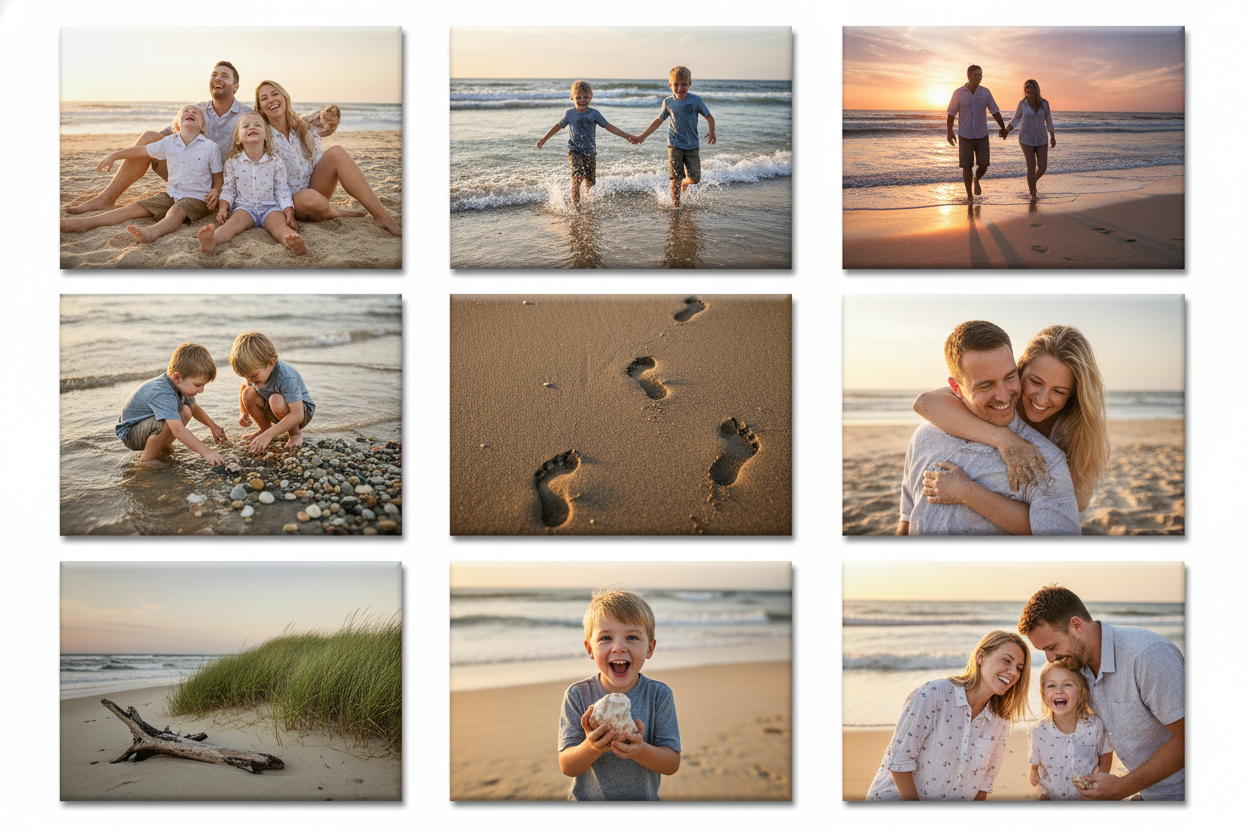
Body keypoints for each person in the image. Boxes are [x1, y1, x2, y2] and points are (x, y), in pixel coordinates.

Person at [913, 325, 1110, 532]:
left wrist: (967, 492)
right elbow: (925, 403)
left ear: (1073, 394)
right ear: (1020, 370)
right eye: (1035, 381)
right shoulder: (1002, 396)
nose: (1041, 399)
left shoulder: (1071, 439)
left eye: (1059, 391)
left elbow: (1069, 509)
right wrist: (1005, 439)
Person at [1019, 585, 1184, 800]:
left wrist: (1123, 787)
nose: (1050, 659)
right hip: (1148, 792)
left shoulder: (1146, 657)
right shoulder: (1078, 669)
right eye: (1044, 651)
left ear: (1076, 625)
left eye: (1052, 646)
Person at [866, 630, 1030, 800]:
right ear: (980, 657)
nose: (1013, 672)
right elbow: (899, 760)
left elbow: (985, 782)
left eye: (1019, 668)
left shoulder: (1000, 721)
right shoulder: (933, 694)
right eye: (1006, 660)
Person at [558, 589, 680, 800]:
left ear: (650, 648)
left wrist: (639, 750)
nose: (618, 648)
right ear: (590, 649)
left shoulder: (659, 695)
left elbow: (671, 764)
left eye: (632, 637)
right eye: (605, 638)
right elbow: (567, 766)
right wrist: (591, 746)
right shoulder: (577, 695)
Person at [254, 80, 401, 237]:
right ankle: (336, 212)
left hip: (316, 191)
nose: (271, 100)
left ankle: (382, 216)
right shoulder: (259, 134)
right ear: (260, 107)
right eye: (264, 98)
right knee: (308, 198)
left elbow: (318, 161)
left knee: (336, 152)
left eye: (275, 94)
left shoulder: (303, 127)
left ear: (284, 97)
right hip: (289, 202)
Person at [61, 105, 223, 245]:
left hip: (197, 198)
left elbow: (217, 178)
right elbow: (141, 150)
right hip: (172, 194)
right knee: (136, 207)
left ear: (203, 126)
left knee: (176, 212)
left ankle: (152, 232)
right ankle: (87, 222)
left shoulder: (210, 147)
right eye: (186, 111)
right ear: (177, 125)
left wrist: (216, 190)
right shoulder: (169, 142)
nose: (191, 112)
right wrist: (115, 155)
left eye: (196, 112)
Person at [197, 113, 305, 256]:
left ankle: (290, 241)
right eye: (246, 126)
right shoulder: (232, 162)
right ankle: (213, 240)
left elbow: (282, 190)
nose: (252, 128)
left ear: (266, 135)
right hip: (244, 207)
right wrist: (223, 208)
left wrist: (289, 212)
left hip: (270, 207)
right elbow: (228, 189)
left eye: (257, 125)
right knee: (231, 225)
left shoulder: (275, 161)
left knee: (279, 226)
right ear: (238, 138)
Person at [115, 342, 227, 467]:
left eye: (203, 385)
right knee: (171, 422)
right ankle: (147, 459)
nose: (201, 390)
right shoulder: (163, 392)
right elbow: (178, 430)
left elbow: (194, 408)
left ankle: (162, 447)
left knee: (186, 411)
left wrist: (213, 426)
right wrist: (206, 452)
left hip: (145, 426)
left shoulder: (180, 387)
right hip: (131, 433)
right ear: (177, 378)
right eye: (197, 385)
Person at [536, 80, 639, 210]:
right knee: (578, 176)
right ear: (572, 97)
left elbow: (609, 127)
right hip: (574, 151)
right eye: (578, 97)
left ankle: (587, 204)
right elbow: (558, 127)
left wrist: (627, 136)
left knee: (590, 183)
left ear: (591, 97)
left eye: (586, 97)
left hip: (590, 153)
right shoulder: (570, 114)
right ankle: (577, 207)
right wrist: (544, 139)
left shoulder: (594, 113)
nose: (582, 101)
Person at [1028, 661, 1114, 800]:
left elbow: (1105, 755)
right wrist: (1033, 773)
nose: (1059, 690)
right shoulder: (1038, 731)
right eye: (1051, 685)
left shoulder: (1095, 726)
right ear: (1043, 695)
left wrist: (1100, 782)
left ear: (1080, 693)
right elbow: (1035, 764)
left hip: (1086, 797)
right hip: (1052, 796)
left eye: (1067, 684)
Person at [636, 66, 717, 206]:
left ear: (689, 84)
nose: (680, 88)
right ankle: (676, 207)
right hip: (674, 145)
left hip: (692, 145)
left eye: (684, 84)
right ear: (670, 85)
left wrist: (711, 131)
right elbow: (658, 120)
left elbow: (709, 116)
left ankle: (686, 182)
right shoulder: (668, 102)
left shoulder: (696, 100)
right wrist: (643, 136)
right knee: (675, 178)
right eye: (676, 85)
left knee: (695, 178)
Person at [229, 332, 316, 454]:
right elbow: (244, 385)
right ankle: (265, 429)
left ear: (271, 364)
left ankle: (295, 433)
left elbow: (298, 414)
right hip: (277, 408)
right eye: (246, 376)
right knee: (247, 393)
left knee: (275, 400)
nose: (249, 380)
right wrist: (243, 411)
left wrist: (270, 436)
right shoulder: (256, 374)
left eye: (253, 376)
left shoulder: (286, 377)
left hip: (301, 412)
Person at [946, 65, 1006, 203]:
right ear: (969, 76)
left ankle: (976, 179)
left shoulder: (985, 92)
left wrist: (1002, 127)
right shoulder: (958, 93)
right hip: (965, 135)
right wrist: (950, 131)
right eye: (976, 75)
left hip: (981, 134)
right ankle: (969, 196)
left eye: (980, 75)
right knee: (966, 166)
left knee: (984, 165)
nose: (979, 77)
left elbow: (994, 110)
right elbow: (951, 113)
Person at [1002, 79, 1056, 199]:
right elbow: (1016, 119)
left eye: (1031, 87)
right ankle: (1032, 193)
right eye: (1027, 88)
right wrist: (1007, 130)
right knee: (1031, 166)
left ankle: (1032, 181)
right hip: (1026, 138)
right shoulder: (1023, 104)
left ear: (1036, 89)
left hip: (1041, 138)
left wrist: (1052, 135)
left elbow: (1049, 120)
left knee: (1042, 167)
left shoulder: (1044, 103)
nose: (1029, 90)